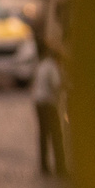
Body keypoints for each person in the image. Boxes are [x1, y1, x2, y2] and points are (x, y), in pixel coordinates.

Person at [28, 44, 67, 178]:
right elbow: (56, 84)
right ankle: (60, 166)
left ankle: (44, 165)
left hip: (38, 103)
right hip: (49, 104)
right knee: (56, 135)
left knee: (43, 134)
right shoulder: (52, 67)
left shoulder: (42, 65)